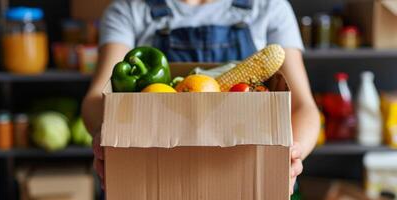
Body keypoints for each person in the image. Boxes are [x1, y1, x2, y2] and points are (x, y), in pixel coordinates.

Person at [82, 0, 320, 195]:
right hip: (159, 171)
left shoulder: (269, 7)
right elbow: (97, 98)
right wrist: (105, 134)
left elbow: (304, 107)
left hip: (243, 170)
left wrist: (289, 156)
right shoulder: (129, 10)